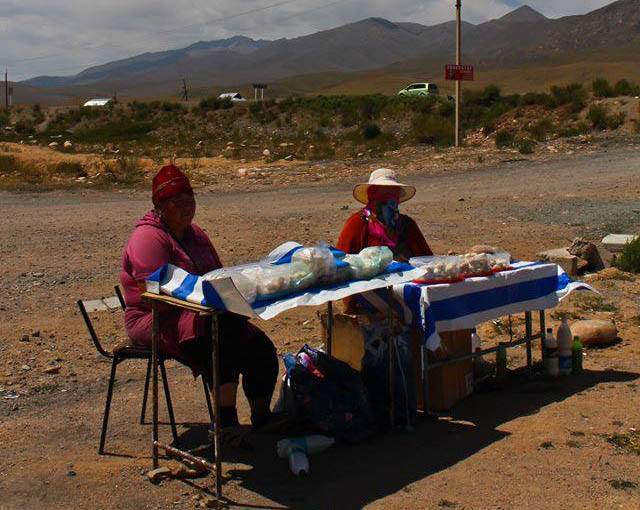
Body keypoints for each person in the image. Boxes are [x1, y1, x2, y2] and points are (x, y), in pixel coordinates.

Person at [120, 164, 278, 441]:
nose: (186, 207)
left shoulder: (195, 235)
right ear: (160, 205)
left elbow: (218, 274)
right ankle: (226, 421)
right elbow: (153, 296)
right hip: (154, 318)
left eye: (189, 199)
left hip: (203, 314)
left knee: (260, 347)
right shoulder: (148, 238)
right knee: (217, 338)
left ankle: (261, 416)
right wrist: (201, 304)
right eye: (176, 202)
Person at [337, 168, 433, 313]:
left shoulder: (407, 225)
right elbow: (341, 264)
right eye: (382, 193)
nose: (388, 199)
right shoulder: (357, 224)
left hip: (409, 293)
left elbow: (426, 260)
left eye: (392, 194)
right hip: (367, 297)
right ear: (373, 195)